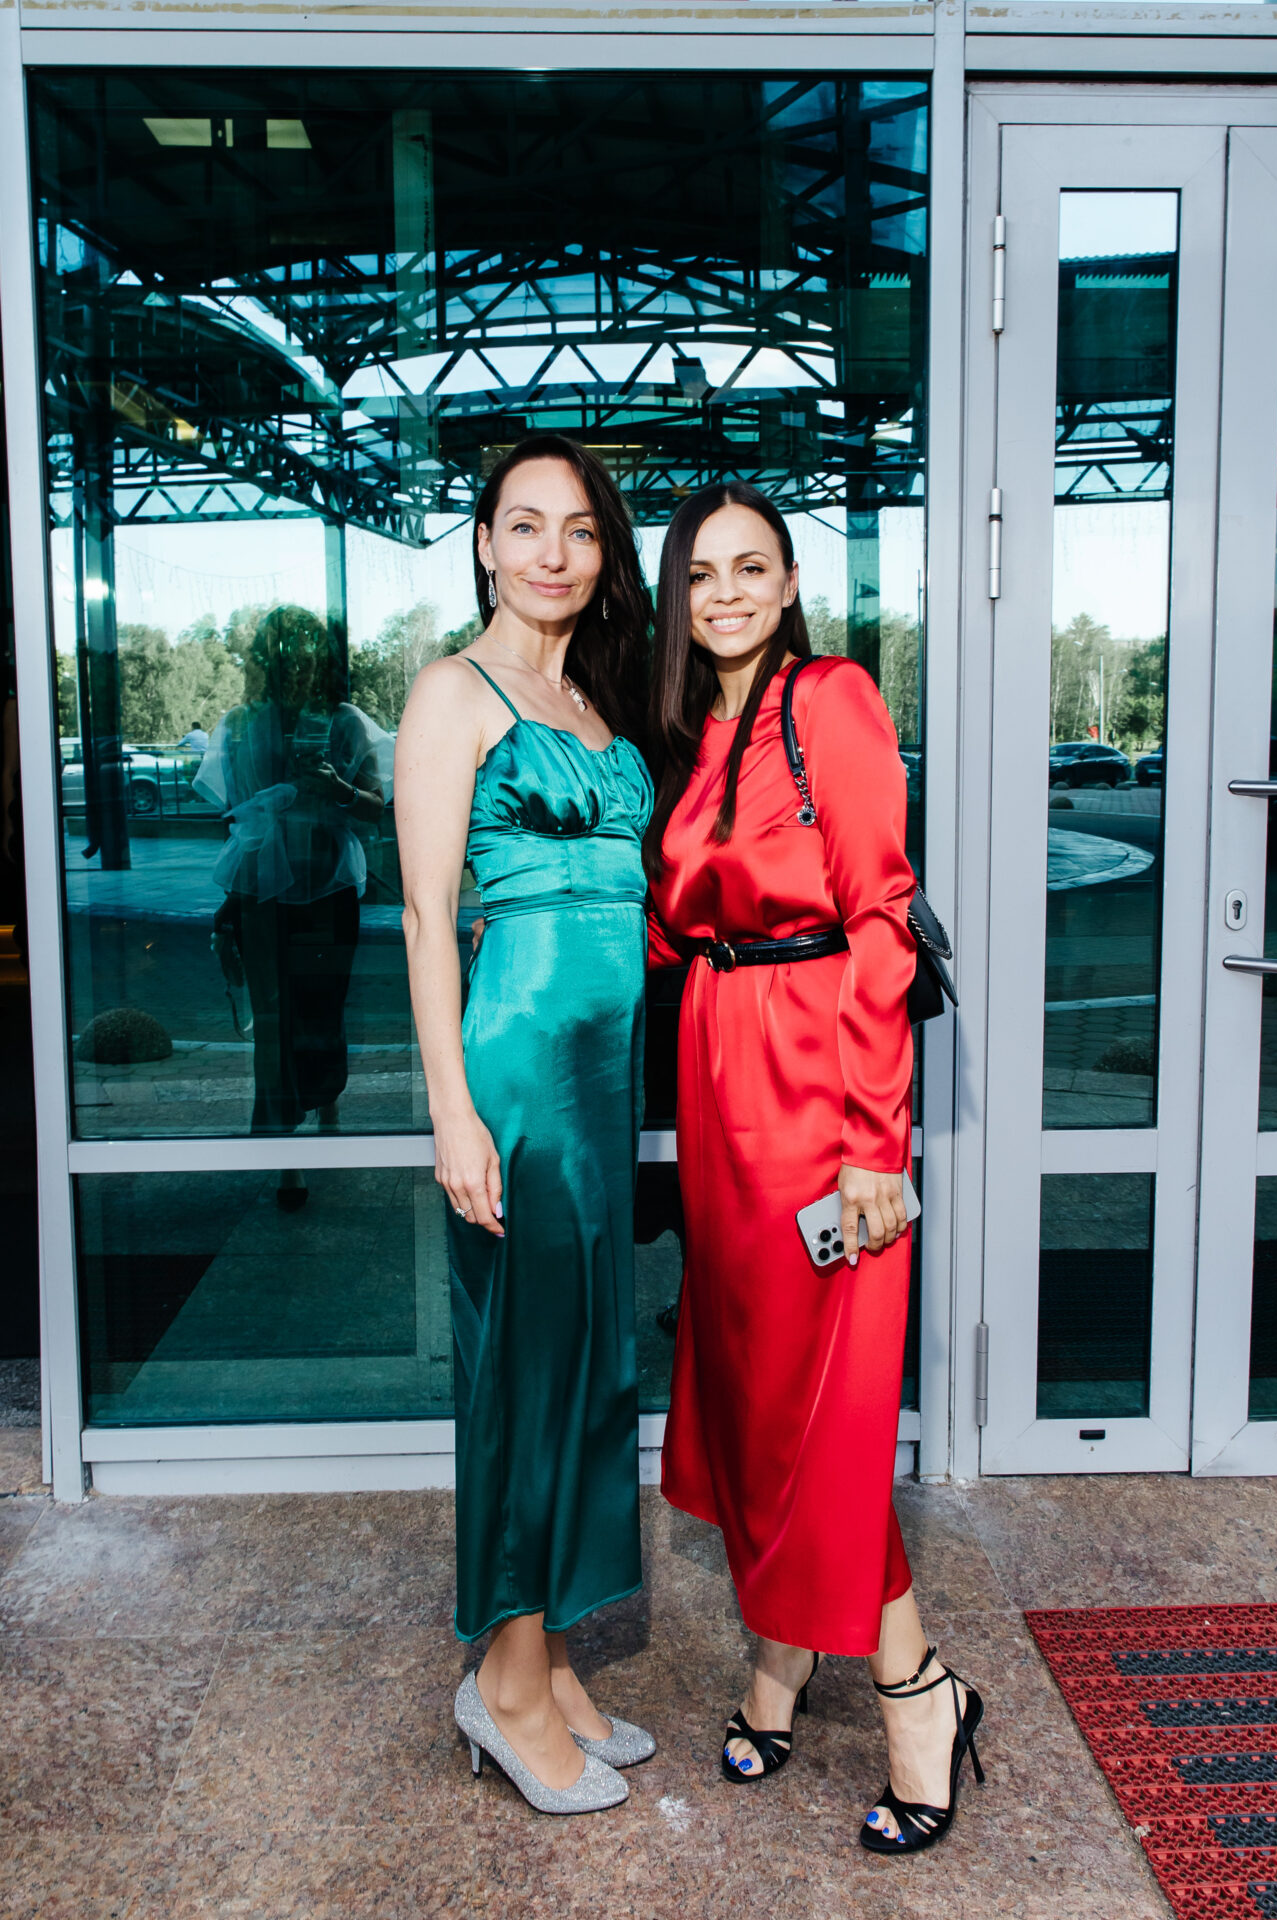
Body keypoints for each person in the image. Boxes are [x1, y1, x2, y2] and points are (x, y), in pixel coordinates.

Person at [646, 482, 985, 1854]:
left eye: (752, 568)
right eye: (702, 574)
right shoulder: (697, 735)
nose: (725, 593)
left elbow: (880, 921)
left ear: (789, 585)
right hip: (720, 1078)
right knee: (746, 1393)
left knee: (814, 1416)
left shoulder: (828, 700)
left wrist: (870, 1146)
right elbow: (678, 923)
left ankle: (918, 1696)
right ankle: (781, 1660)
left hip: (812, 1082)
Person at [395, 435, 655, 1815]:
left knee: (586, 1365)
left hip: (602, 1082)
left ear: (603, 557)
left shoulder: (590, 698)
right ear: (486, 545)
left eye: (580, 530)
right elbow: (425, 916)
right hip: (515, 1076)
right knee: (521, 1370)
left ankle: (548, 1656)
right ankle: (500, 1688)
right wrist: (452, 1111)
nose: (553, 551)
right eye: (526, 524)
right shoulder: (455, 692)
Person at [194, 606, 389, 1193]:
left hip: (328, 886)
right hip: (262, 891)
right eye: (282, 654)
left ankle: (327, 1106)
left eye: (304, 654)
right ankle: (286, 1154)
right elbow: (237, 822)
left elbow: (377, 808)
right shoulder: (239, 725)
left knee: (322, 1009)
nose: (294, 666)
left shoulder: (345, 723)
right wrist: (230, 903)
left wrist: (337, 788)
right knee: (275, 1020)